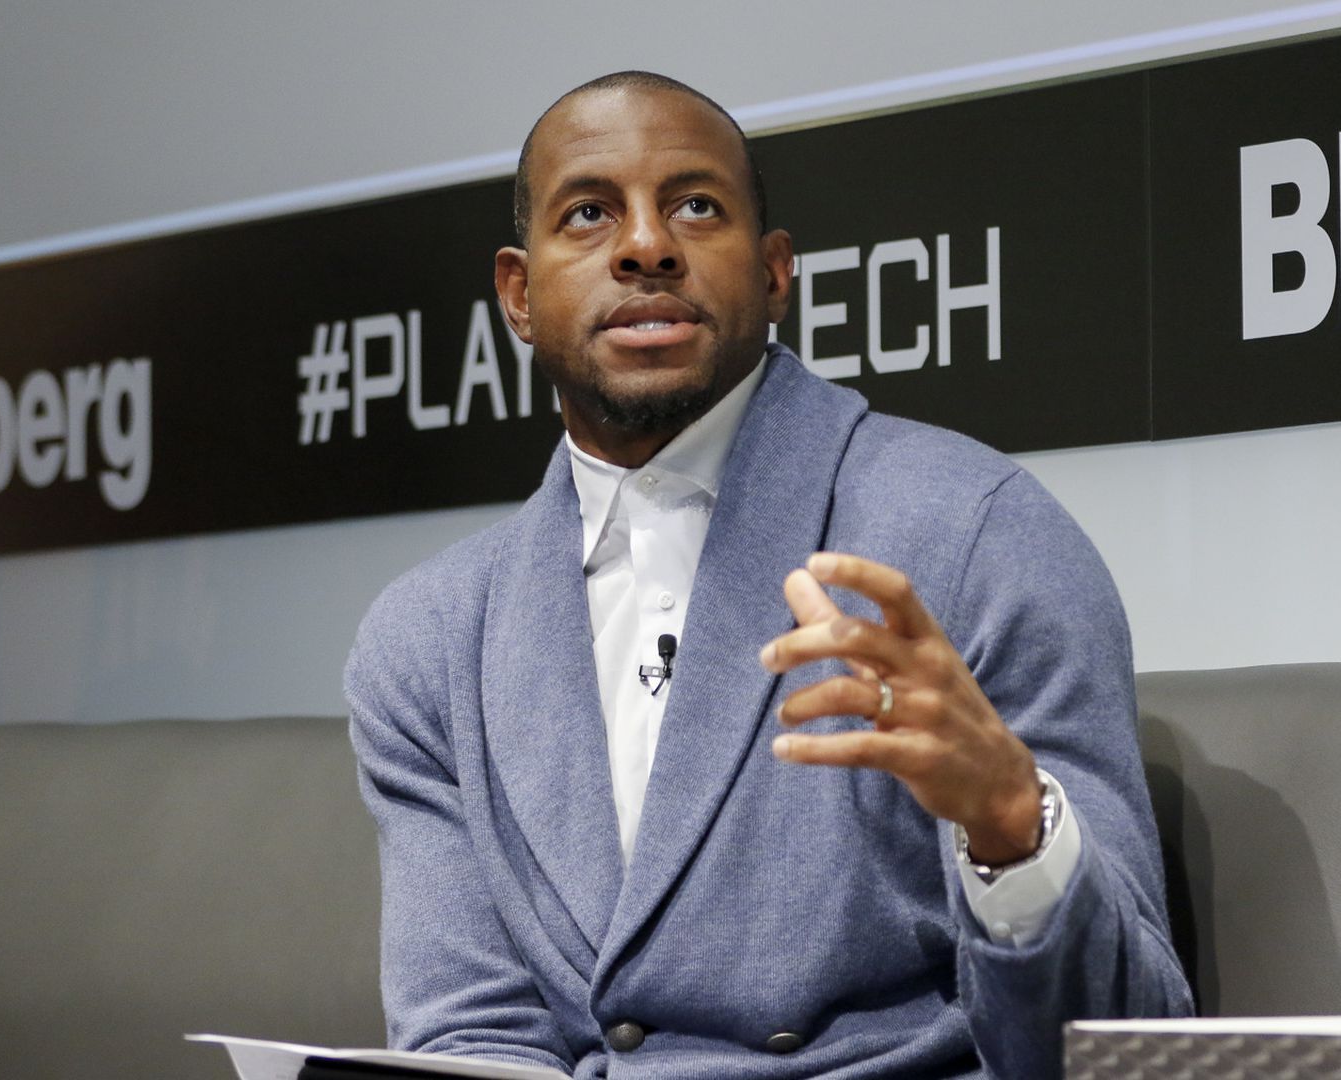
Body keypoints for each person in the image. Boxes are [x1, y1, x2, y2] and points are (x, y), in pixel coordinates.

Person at [346, 70, 1192, 1080]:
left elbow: (1123, 1046)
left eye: (697, 206)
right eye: (590, 213)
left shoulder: (974, 533)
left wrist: (1012, 824)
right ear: (520, 297)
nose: (648, 245)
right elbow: (470, 1036)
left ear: (776, 272)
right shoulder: (433, 640)